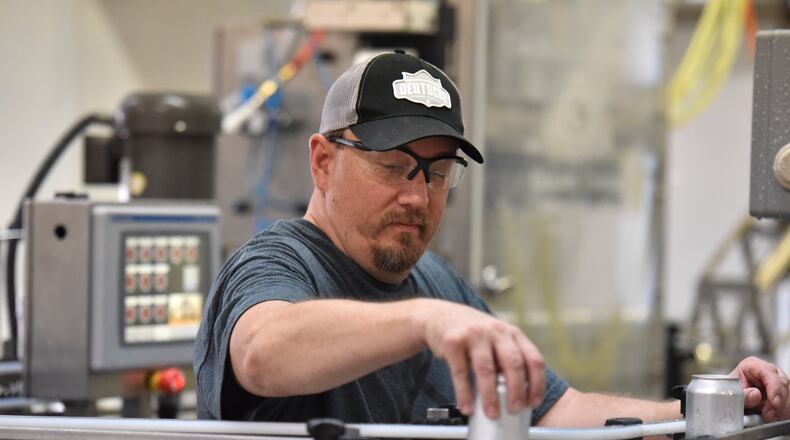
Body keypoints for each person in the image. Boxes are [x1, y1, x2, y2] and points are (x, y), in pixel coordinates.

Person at [194, 51, 790, 427]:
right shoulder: (278, 262)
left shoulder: (434, 281)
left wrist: (704, 410)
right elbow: (262, 353)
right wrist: (424, 322)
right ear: (323, 161)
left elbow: (558, 410)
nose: (418, 195)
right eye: (394, 165)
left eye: (438, 171)